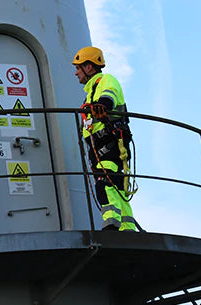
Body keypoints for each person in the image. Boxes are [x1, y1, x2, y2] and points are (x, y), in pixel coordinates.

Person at [72, 46, 138, 232]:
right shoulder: (90, 91)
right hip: (100, 147)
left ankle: (112, 225)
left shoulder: (106, 81)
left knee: (105, 182)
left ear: (89, 67)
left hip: (112, 143)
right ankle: (127, 228)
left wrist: (102, 105)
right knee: (117, 187)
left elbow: (110, 95)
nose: (76, 73)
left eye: (78, 68)